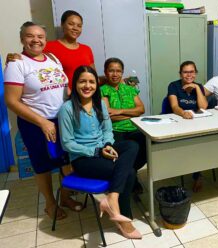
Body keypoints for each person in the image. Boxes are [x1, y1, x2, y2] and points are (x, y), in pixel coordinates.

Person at [4, 22, 81, 220]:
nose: (36, 40)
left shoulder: (52, 58)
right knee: (43, 165)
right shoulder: (17, 63)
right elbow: (11, 101)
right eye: (30, 36)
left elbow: (62, 88)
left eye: (40, 36)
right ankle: (50, 204)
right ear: (22, 39)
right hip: (36, 124)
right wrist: (42, 122)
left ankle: (65, 197)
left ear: (46, 40)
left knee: (65, 162)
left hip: (62, 120)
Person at [58, 65, 142, 239]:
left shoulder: (99, 105)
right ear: (75, 84)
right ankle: (124, 219)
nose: (87, 86)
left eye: (91, 81)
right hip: (83, 158)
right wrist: (97, 151)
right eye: (82, 82)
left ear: (96, 84)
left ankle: (112, 198)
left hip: (102, 149)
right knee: (129, 172)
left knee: (132, 145)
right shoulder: (67, 109)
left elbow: (107, 129)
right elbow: (67, 143)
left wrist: (109, 144)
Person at [6, 10, 95, 93]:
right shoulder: (48, 46)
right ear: (62, 25)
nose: (75, 28)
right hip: (63, 99)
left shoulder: (86, 49)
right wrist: (14, 57)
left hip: (85, 96)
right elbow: (27, 56)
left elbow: (93, 75)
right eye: (71, 24)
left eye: (79, 26)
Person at [100, 58, 146, 194]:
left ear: (122, 72)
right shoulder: (102, 90)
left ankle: (131, 173)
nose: (115, 74)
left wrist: (120, 111)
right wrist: (132, 114)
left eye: (118, 71)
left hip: (134, 127)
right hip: (114, 130)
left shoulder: (130, 89)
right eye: (111, 71)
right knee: (125, 152)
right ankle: (129, 178)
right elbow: (108, 116)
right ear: (105, 72)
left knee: (147, 144)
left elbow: (141, 109)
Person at [168, 61, 208, 192]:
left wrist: (196, 88)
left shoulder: (199, 86)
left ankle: (197, 174)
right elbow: (174, 107)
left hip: (195, 122)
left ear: (195, 73)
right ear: (180, 74)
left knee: (199, 144)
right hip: (178, 120)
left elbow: (203, 107)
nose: (189, 75)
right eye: (185, 72)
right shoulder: (174, 86)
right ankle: (182, 168)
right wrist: (183, 113)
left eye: (192, 72)